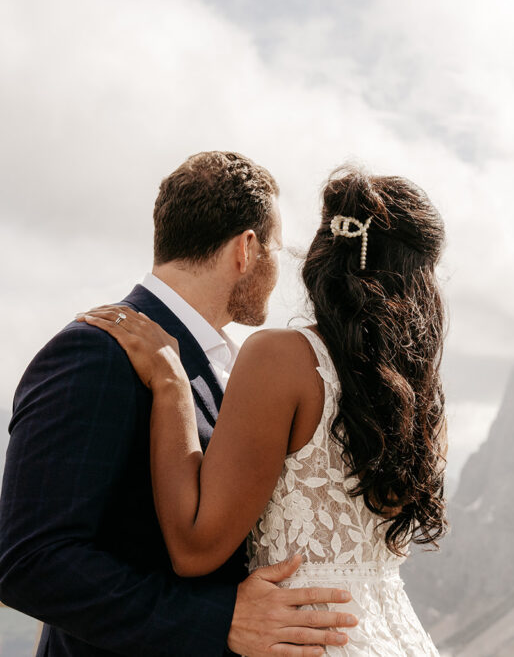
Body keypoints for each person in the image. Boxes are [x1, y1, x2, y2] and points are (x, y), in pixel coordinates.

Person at [78, 163, 449, 655]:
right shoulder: (424, 403)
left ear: (321, 257)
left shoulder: (280, 357)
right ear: (420, 280)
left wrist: (171, 383)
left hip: (302, 643)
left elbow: (194, 548)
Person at [0, 151, 356, 656]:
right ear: (246, 250)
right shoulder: (95, 352)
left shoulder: (234, 363)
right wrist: (220, 620)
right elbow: (30, 561)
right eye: (277, 250)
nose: (280, 274)